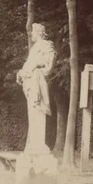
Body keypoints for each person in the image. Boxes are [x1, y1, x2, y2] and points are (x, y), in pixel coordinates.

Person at [16, 23, 55, 152]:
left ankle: (38, 145)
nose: (31, 34)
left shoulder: (46, 44)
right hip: (29, 82)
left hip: (37, 80)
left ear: (39, 32)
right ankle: (34, 144)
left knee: (38, 109)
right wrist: (21, 73)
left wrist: (37, 64)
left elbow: (50, 62)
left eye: (33, 32)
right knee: (32, 112)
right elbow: (28, 64)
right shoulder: (34, 48)